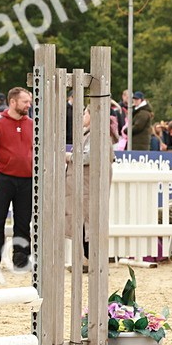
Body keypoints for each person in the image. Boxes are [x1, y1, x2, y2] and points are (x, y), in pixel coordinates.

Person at [0, 87, 34, 271]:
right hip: (3, 179)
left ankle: (21, 261)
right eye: (25, 101)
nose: (29, 105)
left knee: (23, 222)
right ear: (13, 102)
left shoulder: (33, 125)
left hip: (27, 180)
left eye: (29, 101)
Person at [64, 106, 114, 264]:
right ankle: (87, 258)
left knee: (87, 221)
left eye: (85, 112)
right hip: (85, 185)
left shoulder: (96, 135)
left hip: (88, 186)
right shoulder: (92, 134)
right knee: (85, 221)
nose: (83, 115)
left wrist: (68, 156)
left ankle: (90, 259)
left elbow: (86, 158)